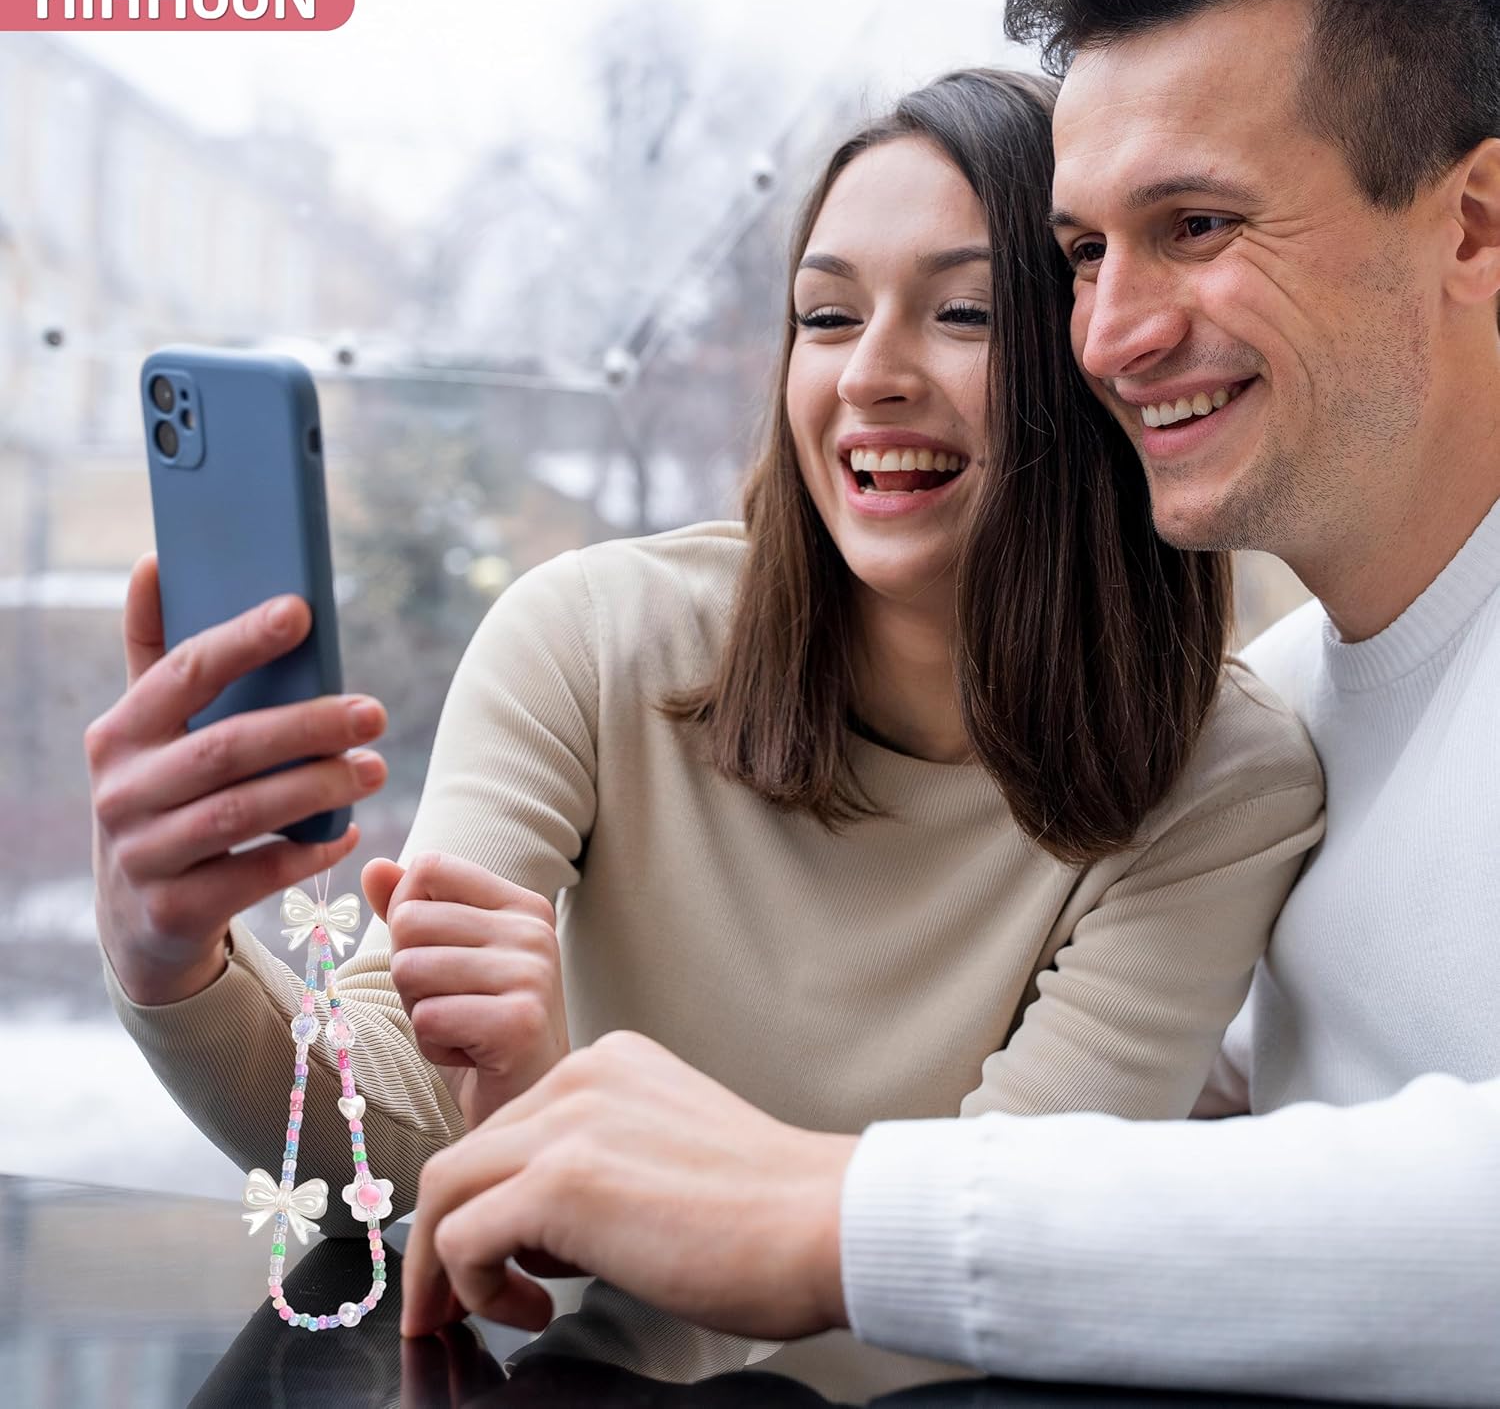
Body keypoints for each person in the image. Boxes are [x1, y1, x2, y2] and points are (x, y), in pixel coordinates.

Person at [395, 0, 1500, 1403]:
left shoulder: (1242, 767)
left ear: (1472, 224)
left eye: (1198, 225)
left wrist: (825, 1219)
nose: (1107, 336)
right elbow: (1125, 1172)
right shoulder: (1303, 718)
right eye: (1085, 255)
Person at [87, 67, 1321, 1361]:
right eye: (826, 316)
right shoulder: (589, 641)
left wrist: (566, 1132)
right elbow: (383, 1127)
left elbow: (983, 1247)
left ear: (1098, 360)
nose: (869, 376)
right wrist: (172, 966)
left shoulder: (1225, 785)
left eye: (965, 312)